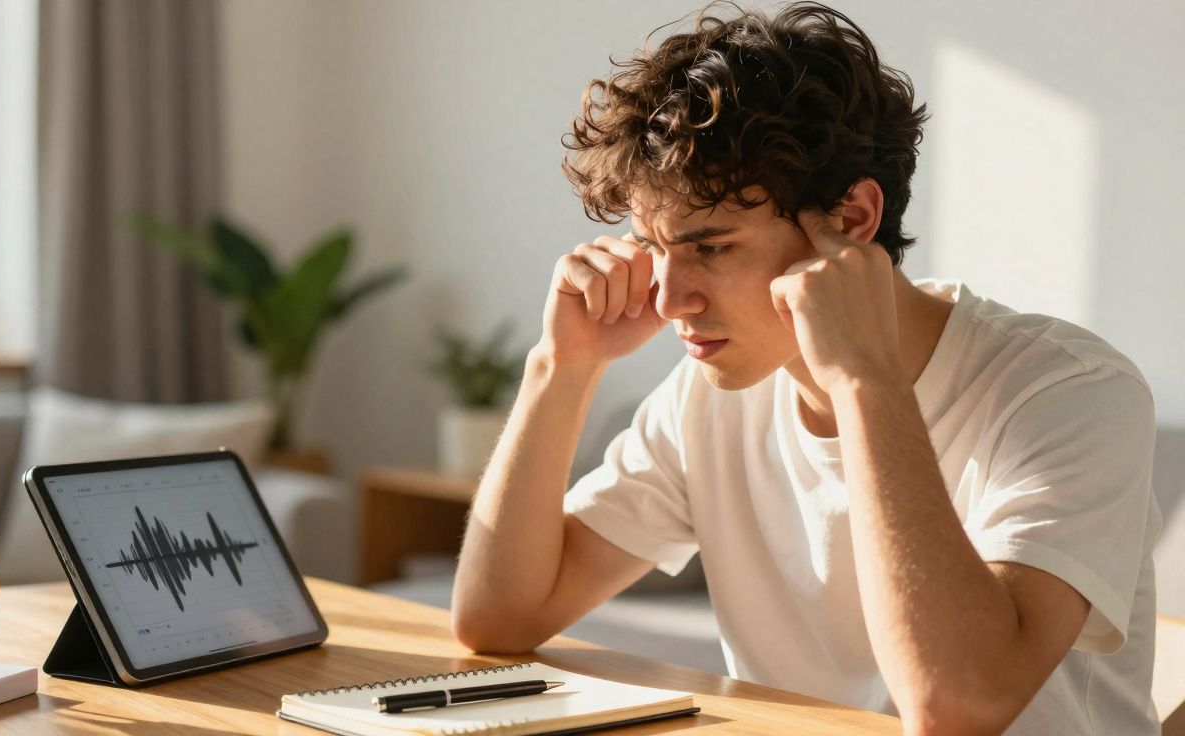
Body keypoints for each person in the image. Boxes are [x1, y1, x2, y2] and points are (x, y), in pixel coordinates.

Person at [450, 2, 1160, 734]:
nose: (668, 299)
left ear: (851, 223)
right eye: (653, 247)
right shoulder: (709, 396)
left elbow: (958, 706)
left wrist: (864, 380)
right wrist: (560, 366)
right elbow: (496, 618)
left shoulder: (1071, 393)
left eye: (711, 247)